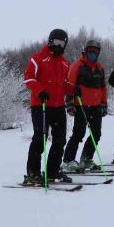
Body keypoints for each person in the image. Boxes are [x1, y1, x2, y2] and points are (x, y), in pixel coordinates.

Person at [21, 28, 73, 186]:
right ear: (50, 41)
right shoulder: (37, 58)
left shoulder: (64, 62)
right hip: (41, 105)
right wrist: (40, 90)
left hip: (58, 107)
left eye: (62, 43)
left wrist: (72, 89)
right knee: (40, 139)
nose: (58, 46)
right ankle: (33, 174)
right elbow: (28, 78)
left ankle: (52, 171)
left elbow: (63, 85)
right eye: (56, 42)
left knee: (60, 140)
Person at [63, 40, 108, 172]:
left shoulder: (100, 68)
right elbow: (69, 85)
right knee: (78, 133)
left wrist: (104, 103)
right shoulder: (77, 66)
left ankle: (86, 159)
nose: (93, 53)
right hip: (81, 105)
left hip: (96, 106)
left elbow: (103, 87)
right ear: (86, 51)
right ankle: (68, 160)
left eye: (96, 51)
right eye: (91, 51)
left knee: (96, 134)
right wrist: (70, 103)